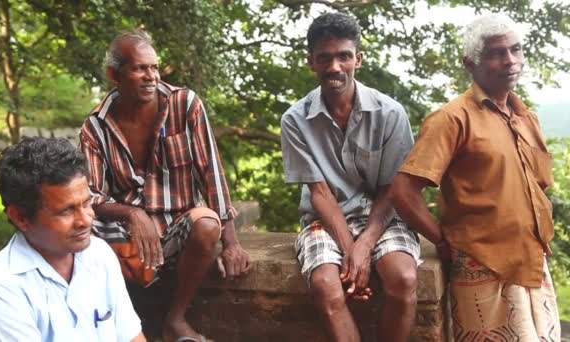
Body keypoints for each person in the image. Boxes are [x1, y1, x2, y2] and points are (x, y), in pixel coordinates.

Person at [391, 13, 561, 341]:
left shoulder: (527, 117)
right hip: (483, 268)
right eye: (498, 53)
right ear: (471, 63)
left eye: (516, 50)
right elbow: (403, 191)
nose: (511, 60)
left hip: (531, 264)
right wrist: (440, 240)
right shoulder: (452, 119)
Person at [79, 29, 251, 342]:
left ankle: (175, 319)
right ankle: (119, 324)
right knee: (82, 235)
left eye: (154, 67)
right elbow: (91, 195)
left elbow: (211, 172)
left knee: (207, 224)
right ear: (113, 74)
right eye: (139, 68)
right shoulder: (96, 126)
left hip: (177, 225)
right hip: (128, 233)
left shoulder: (185, 104)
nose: (150, 76)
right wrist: (132, 214)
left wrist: (232, 243)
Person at [280, 12, 421, 342]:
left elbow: (392, 189)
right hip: (326, 219)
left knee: (402, 279)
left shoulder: (389, 113)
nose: (334, 67)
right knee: (326, 286)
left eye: (344, 56)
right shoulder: (295, 120)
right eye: (324, 58)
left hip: (382, 216)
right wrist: (350, 252)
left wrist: (365, 245)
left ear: (358, 58)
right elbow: (320, 192)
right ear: (311, 62)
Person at [0, 137, 145, 342]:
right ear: (21, 218)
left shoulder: (99, 255)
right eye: (66, 211)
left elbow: (131, 336)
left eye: (86, 203)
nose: (86, 220)